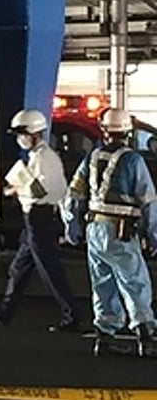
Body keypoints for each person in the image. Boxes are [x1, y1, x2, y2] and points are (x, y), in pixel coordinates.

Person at [0, 109, 85, 332]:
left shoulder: (45, 158)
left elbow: (47, 191)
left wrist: (17, 189)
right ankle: (6, 310)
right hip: (34, 219)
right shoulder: (38, 156)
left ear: (34, 133)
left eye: (21, 133)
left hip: (40, 217)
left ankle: (72, 314)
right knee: (19, 267)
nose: (20, 138)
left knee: (49, 270)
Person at [63, 107, 157, 356]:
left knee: (102, 283)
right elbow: (148, 200)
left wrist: (71, 225)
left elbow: (74, 194)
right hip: (121, 231)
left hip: (95, 228)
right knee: (135, 281)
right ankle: (146, 337)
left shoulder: (92, 157)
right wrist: (153, 234)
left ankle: (104, 337)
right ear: (128, 132)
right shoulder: (133, 160)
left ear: (105, 131)